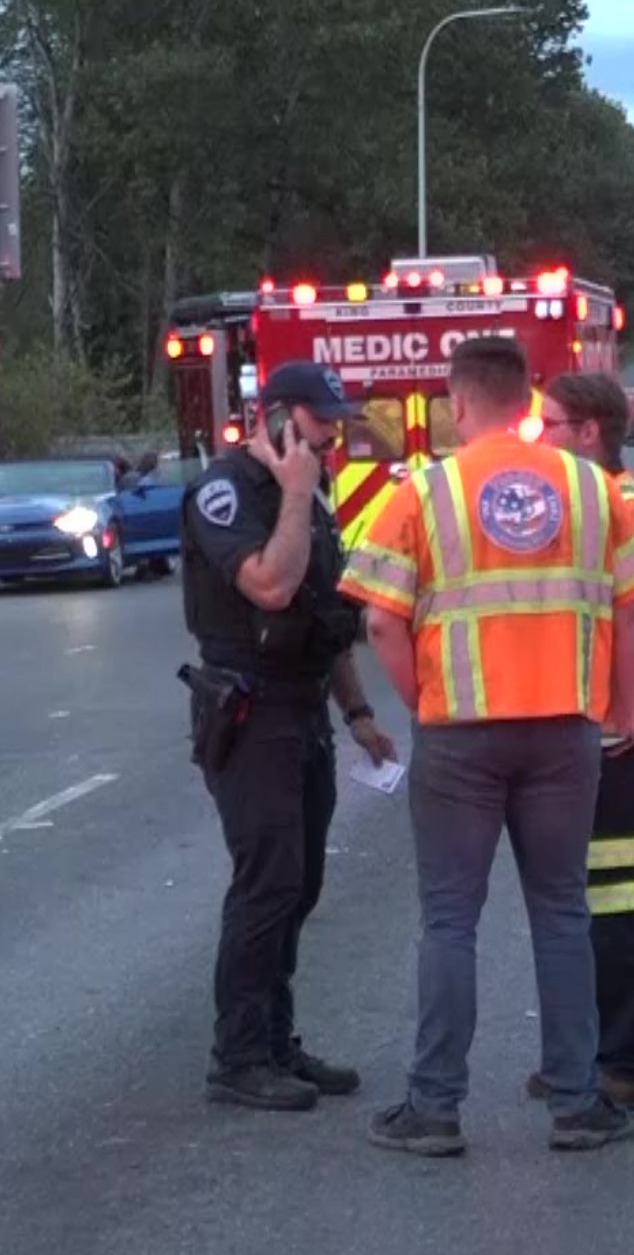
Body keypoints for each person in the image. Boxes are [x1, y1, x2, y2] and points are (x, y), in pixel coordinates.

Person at [338, 336, 634, 1156]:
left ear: (458, 401)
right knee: (560, 912)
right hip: (565, 732)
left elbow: (378, 617)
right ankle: (578, 1102)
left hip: (461, 737)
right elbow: (632, 610)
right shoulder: (593, 490)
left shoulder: (423, 493)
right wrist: (618, 709)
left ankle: (435, 1107)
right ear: (525, 402)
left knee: (450, 920)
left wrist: (426, 705)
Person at [178, 360, 397, 1112]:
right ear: (274, 416)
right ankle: (236, 1057)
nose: (331, 435)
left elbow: (323, 615)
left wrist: (358, 713)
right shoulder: (226, 493)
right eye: (317, 421)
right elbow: (270, 585)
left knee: (299, 885)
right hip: (250, 710)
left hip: (303, 709)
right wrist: (298, 494)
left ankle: (275, 1040)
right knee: (267, 883)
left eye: (334, 421)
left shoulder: (311, 497)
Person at [527, 372, 634, 1111]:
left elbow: (621, 620)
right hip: (601, 734)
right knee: (591, 903)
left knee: (626, 904)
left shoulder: (633, 515)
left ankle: (630, 1061)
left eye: (553, 425)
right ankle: (590, 1052)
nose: (542, 437)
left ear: (590, 433)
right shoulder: (597, 508)